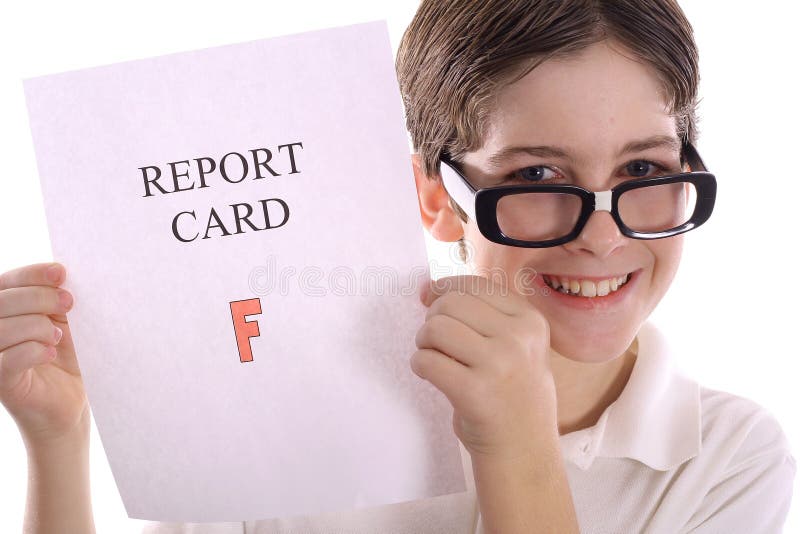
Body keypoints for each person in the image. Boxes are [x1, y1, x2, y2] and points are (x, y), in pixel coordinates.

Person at [0, 0, 795, 532]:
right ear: (434, 196)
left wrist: (516, 443)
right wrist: (58, 443)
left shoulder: (730, 456)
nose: (600, 235)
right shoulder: (285, 417)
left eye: (645, 174)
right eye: (536, 180)